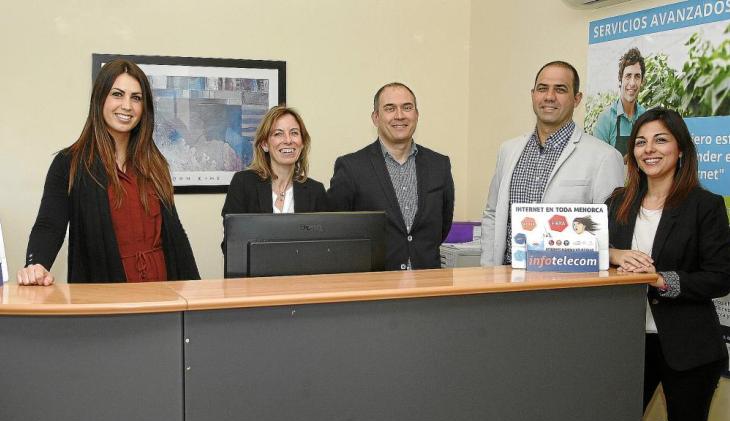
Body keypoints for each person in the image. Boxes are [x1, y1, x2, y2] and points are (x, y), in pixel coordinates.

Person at [606, 108, 730, 421]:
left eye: (660, 140)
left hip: (689, 348)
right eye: (641, 142)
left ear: (680, 149)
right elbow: (584, 253)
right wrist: (614, 254)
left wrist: (661, 280)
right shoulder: (617, 203)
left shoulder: (705, 206)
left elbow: (720, 276)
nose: (649, 149)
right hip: (628, 342)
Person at [17, 59, 199, 285]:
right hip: (104, 292)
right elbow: (49, 225)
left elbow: (175, 233)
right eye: (117, 94)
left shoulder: (155, 164)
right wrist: (36, 264)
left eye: (136, 98)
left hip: (162, 292)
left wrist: (195, 287)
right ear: (100, 99)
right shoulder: (68, 163)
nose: (127, 106)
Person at [480, 61, 625, 266]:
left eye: (560, 89)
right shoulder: (508, 150)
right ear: (533, 95)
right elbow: (493, 214)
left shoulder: (605, 157)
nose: (549, 96)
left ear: (577, 99)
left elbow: (612, 232)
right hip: (505, 277)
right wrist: (488, 270)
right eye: (542, 89)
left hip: (566, 281)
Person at [327, 82, 454, 270]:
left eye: (407, 107)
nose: (400, 115)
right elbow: (337, 232)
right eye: (390, 108)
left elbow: (444, 225)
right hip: (375, 283)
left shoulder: (439, 165)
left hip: (428, 281)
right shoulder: (351, 167)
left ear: (417, 115)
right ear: (376, 117)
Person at [221, 105, 327, 220]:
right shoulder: (243, 184)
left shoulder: (316, 191)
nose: (288, 140)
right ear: (265, 144)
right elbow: (233, 230)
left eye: (294, 133)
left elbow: (326, 231)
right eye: (278, 134)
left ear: (302, 143)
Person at [593, 47, 646, 156]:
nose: (632, 83)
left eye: (637, 77)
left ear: (642, 81)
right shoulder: (606, 119)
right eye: (628, 76)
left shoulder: (645, 116)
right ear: (620, 79)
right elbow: (598, 160)